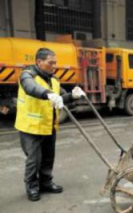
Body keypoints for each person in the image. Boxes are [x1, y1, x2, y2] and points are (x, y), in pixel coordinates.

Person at [15, 48, 85, 202]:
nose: (54, 65)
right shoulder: (27, 75)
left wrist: (72, 96)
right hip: (30, 126)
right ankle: (32, 186)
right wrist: (48, 94)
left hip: (48, 125)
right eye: (50, 62)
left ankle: (46, 182)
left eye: (55, 62)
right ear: (39, 62)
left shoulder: (54, 79)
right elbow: (31, 88)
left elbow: (59, 98)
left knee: (48, 157)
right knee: (34, 159)